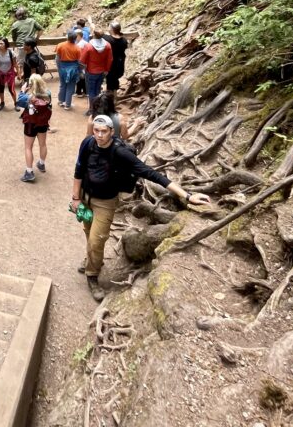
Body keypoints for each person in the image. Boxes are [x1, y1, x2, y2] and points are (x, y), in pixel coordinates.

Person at [71, 115, 211, 300]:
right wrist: (75, 198)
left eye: (104, 131)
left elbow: (150, 173)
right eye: (96, 130)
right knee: (89, 232)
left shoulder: (121, 152)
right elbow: (79, 169)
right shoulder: (88, 143)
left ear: (112, 132)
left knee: (98, 240)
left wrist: (187, 195)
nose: (99, 135)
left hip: (105, 202)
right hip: (85, 198)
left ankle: (92, 275)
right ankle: (93, 259)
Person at [20, 74, 52, 182]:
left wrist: (23, 90)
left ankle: (29, 172)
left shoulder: (28, 97)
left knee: (28, 147)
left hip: (30, 123)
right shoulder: (48, 94)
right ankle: (42, 164)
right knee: (42, 144)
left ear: (30, 84)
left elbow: (19, 101)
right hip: (43, 123)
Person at [79, 26, 113, 111]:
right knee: (97, 90)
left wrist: (81, 70)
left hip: (90, 71)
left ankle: (92, 109)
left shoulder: (89, 46)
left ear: (93, 35)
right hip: (102, 72)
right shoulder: (107, 45)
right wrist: (106, 70)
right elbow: (110, 59)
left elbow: (82, 60)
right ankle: (98, 107)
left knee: (91, 91)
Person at [54, 30, 82, 109]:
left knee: (62, 85)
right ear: (75, 39)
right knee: (71, 86)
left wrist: (59, 67)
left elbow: (57, 58)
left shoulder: (60, 45)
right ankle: (67, 105)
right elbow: (79, 61)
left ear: (67, 37)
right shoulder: (77, 48)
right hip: (73, 68)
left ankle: (60, 101)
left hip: (62, 67)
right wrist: (79, 71)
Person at [10, 7, 43, 71]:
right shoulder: (32, 21)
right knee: (33, 60)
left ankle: (23, 78)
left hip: (21, 45)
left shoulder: (15, 24)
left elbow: (14, 37)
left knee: (21, 63)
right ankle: (32, 77)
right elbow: (41, 29)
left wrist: (15, 42)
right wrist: (36, 39)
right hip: (31, 45)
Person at [105, 21, 128, 95]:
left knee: (110, 82)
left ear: (112, 29)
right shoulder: (124, 40)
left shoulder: (108, 39)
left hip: (111, 63)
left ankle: (110, 101)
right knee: (115, 80)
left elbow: (98, 34)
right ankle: (115, 99)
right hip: (120, 63)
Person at [0, 37, 17, 110]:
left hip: (10, 73)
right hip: (0, 73)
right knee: (1, 88)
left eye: (2, 43)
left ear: (6, 44)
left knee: (11, 89)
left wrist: (19, 73)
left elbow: (15, 64)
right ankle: (2, 102)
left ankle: (16, 103)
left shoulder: (11, 52)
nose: (0, 45)